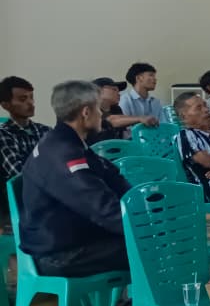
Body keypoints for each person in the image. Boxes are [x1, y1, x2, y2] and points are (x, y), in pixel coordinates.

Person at [19, 80, 131, 276]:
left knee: (152, 241)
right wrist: (148, 226)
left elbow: (111, 175)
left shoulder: (65, 141)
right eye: (98, 108)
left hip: (72, 237)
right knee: (156, 248)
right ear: (86, 112)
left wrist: (145, 207)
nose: (101, 114)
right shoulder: (64, 153)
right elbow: (102, 208)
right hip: (59, 252)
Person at [174, 91, 210, 202]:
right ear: (184, 116)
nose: (206, 110)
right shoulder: (185, 136)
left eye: (205, 105)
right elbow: (207, 161)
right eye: (198, 108)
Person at [0, 76, 52, 184]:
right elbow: (19, 173)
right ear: (6, 105)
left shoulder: (45, 130)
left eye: (31, 97)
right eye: (22, 99)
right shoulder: (3, 135)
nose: (30, 102)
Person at [90, 77, 153, 143]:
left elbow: (124, 132)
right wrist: (140, 118)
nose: (119, 94)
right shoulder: (91, 109)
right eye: (114, 89)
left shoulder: (116, 109)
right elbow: (111, 121)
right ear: (99, 91)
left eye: (119, 91)